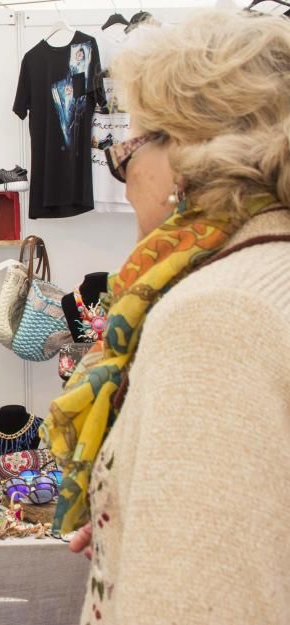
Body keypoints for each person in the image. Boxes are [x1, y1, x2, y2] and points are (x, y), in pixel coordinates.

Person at [42, 11, 290, 625]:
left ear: (186, 153)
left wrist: (169, 559)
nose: (124, 179)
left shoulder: (213, 317)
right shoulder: (270, 269)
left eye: (127, 149)